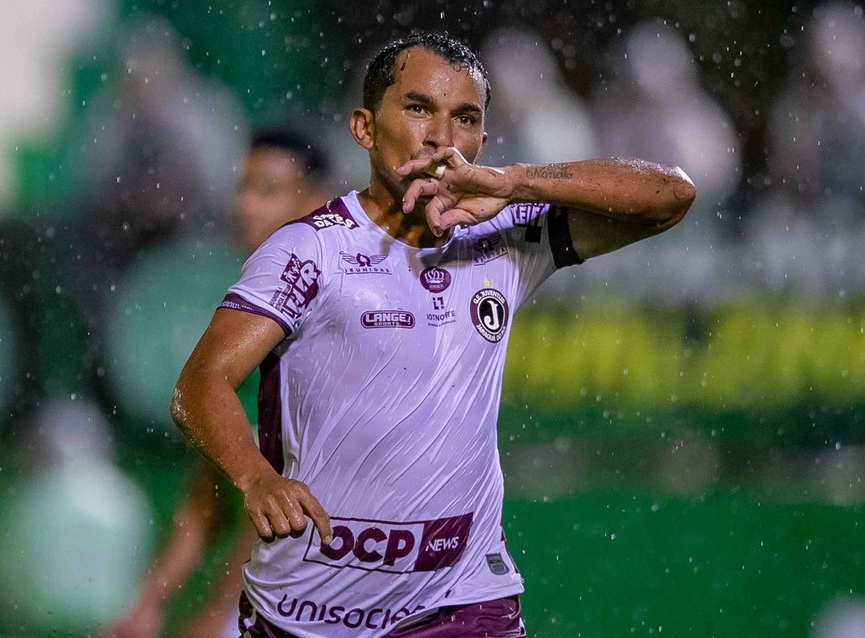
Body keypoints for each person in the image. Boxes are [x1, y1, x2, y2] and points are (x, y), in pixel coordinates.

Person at [171, 32, 695, 638]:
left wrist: (515, 182)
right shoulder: (311, 249)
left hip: (462, 602)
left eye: (465, 118)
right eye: (419, 108)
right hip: (310, 613)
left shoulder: (506, 235)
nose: (441, 136)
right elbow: (201, 383)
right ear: (365, 128)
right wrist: (256, 478)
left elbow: (670, 196)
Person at [102, 127, 332, 638]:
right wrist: (148, 602)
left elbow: (278, 504)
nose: (246, 205)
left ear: (315, 202)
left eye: (267, 190)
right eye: (243, 187)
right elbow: (210, 495)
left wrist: (224, 613)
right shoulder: (252, 316)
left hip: (336, 605)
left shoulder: (333, 318)